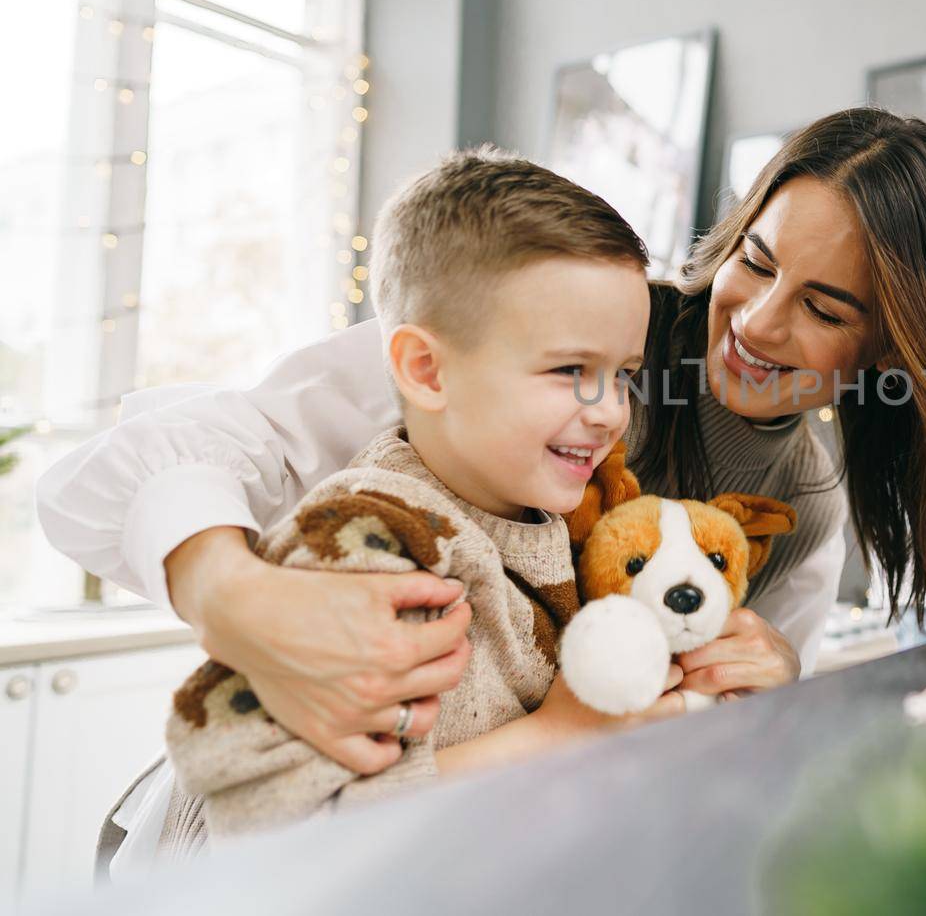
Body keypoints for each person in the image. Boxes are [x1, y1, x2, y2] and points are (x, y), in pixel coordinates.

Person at [37, 107, 926, 775]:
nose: (758, 323)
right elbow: (116, 474)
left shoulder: (803, 502)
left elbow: (663, 747)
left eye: (822, 306)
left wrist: (762, 687)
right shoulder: (572, 331)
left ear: (895, 343)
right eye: (755, 261)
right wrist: (230, 588)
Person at [107, 147, 695, 867]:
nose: (608, 410)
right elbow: (279, 834)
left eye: (623, 375)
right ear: (425, 368)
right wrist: (558, 735)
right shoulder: (369, 545)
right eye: (571, 370)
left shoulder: (549, 521)